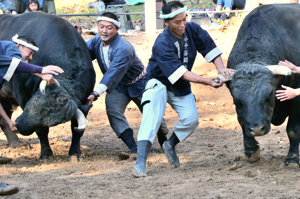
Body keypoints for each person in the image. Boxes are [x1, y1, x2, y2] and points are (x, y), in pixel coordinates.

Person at [132, 1, 235, 177]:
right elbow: (181, 73)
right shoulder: (162, 43)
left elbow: (210, 47)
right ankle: (140, 161)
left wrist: (220, 69)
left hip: (180, 86)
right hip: (158, 82)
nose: (182, 25)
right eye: (176, 22)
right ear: (166, 22)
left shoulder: (192, 29)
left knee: (191, 119)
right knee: (152, 115)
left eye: (183, 19)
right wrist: (207, 81)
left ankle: (170, 144)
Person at [85, 12, 168, 157]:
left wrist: (95, 93)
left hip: (139, 82)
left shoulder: (123, 48)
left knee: (152, 113)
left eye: (109, 27)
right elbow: (82, 52)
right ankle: (132, 146)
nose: (104, 31)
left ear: (117, 29)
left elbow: (113, 73)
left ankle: (164, 140)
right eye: (101, 27)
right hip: (118, 86)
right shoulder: (95, 41)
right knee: (113, 111)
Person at [0, 34, 64, 196]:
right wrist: (41, 70)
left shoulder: (5, 65)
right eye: (30, 51)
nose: (30, 57)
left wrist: (8, 121)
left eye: (34, 55)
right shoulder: (9, 48)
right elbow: (16, 63)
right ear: (19, 45)